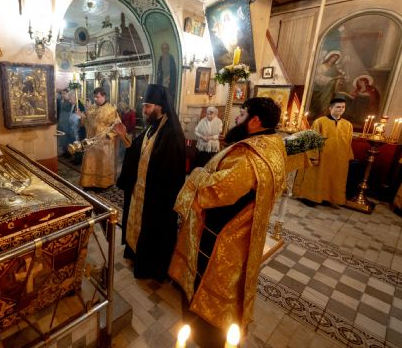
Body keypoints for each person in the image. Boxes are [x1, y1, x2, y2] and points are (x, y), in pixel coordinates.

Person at [168, 97, 286, 347]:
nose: (236, 119)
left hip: (224, 231)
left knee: (212, 282)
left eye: (242, 114)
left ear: (255, 121)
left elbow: (220, 190)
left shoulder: (248, 155)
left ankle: (206, 333)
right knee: (233, 285)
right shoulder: (274, 145)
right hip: (246, 229)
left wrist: (197, 175)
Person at [115, 84, 185, 281]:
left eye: (147, 106)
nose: (143, 110)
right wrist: (123, 136)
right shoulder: (152, 127)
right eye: (144, 105)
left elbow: (170, 172)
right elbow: (138, 150)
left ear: (160, 106)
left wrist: (156, 193)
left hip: (157, 197)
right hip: (142, 191)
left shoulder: (172, 133)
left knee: (153, 230)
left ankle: (150, 267)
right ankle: (136, 253)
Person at [294, 98, 354, 206]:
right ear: (330, 108)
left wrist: (348, 157)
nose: (341, 109)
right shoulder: (320, 122)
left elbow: (348, 142)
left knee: (332, 178)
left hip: (338, 159)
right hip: (322, 157)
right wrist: (313, 157)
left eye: (343, 107)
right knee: (315, 177)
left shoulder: (348, 125)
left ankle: (327, 198)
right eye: (338, 107)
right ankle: (309, 198)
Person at [78, 87, 127, 189]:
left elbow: (118, 125)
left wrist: (108, 135)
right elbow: (87, 121)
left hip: (104, 143)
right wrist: (81, 116)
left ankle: (102, 184)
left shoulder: (111, 109)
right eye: (94, 97)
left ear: (103, 96)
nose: (95, 99)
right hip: (91, 141)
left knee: (102, 163)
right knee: (91, 162)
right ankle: (89, 182)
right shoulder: (92, 108)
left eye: (97, 97)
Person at [309, 51, 346, 121]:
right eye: (333, 57)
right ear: (330, 57)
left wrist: (341, 76)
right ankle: (319, 114)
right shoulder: (322, 67)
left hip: (331, 89)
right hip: (320, 88)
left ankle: (326, 113)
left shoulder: (335, 68)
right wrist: (333, 78)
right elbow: (318, 78)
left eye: (336, 59)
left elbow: (341, 75)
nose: (334, 59)